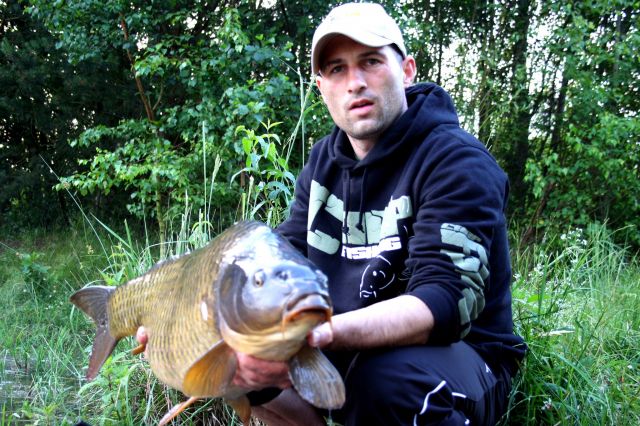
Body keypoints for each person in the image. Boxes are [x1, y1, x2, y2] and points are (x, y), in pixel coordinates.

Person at [138, 3, 526, 424]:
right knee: (248, 363)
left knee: (384, 382)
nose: (354, 83)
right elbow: (285, 249)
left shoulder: (456, 161)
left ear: (408, 69)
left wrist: (317, 335)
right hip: (349, 346)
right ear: (321, 86)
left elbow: (441, 303)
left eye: (371, 62)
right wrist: (197, 321)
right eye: (337, 69)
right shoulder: (324, 160)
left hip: (463, 360)